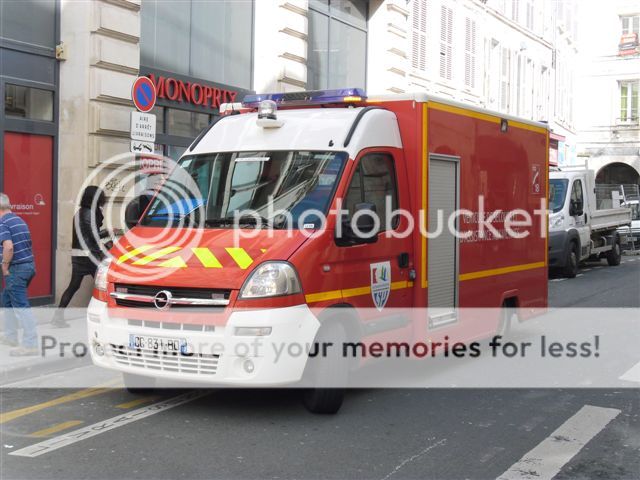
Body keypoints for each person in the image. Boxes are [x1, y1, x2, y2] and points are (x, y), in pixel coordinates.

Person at [52, 186, 109, 328]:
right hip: (89, 256)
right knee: (105, 285)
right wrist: (107, 233)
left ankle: (57, 317)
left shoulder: (79, 213)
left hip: (78, 255)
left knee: (73, 286)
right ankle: (106, 318)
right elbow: (93, 236)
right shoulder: (89, 213)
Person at [0, 192, 38, 356]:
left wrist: (4, 266)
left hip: (16, 269)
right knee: (6, 301)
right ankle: (10, 336)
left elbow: (8, 247)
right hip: (28, 266)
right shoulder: (18, 219)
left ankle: (31, 344)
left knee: (21, 307)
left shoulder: (2, 223)